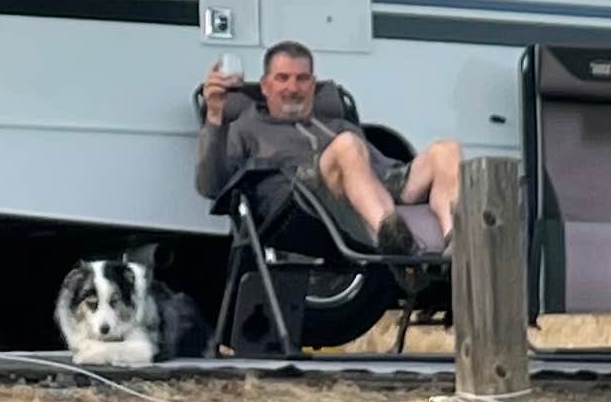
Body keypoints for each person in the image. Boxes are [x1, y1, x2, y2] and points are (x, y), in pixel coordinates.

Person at [194, 38, 462, 255]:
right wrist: (215, 116)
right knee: (346, 146)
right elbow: (211, 187)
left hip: (370, 189)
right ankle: (394, 239)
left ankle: (457, 245)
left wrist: (404, 176)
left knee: (446, 150)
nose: (293, 88)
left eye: (302, 78)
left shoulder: (337, 125)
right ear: (264, 86)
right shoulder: (245, 128)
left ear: (313, 84)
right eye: (282, 78)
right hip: (301, 205)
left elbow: (382, 170)